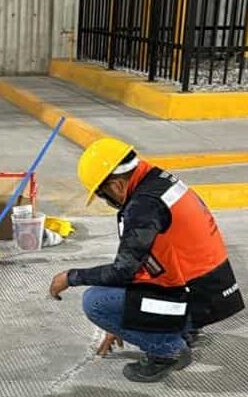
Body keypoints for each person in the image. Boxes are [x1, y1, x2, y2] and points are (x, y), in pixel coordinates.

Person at [49, 138, 244, 383]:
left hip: (195, 298)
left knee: (96, 301)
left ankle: (168, 350)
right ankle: (185, 330)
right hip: (211, 291)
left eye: (103, 195)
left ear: (117, 185)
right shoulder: (156, 182)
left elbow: (123, 272)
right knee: (117, 292)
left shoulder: (143, 206)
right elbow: (140, 263)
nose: (107, 202)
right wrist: (125, 317)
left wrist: (70, 277)